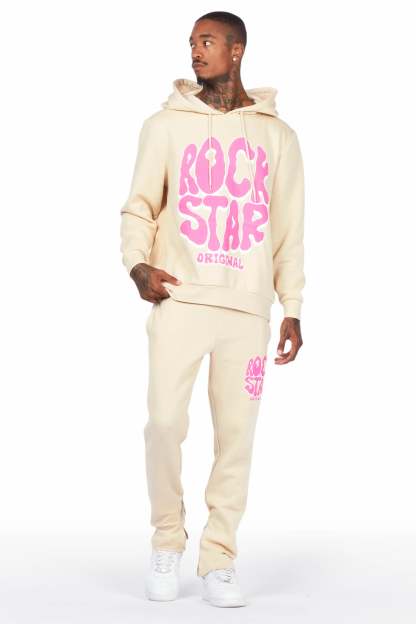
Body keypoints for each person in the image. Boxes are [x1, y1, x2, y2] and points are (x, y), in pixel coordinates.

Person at [119, 10, 305, 608]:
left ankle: (219, 556)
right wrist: (137, 264)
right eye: (192, 43)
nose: (195, 52)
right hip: (181, 298)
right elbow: (140, 206)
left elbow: (289, 231)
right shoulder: (164, 126)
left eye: (207, 42)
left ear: (237, 49)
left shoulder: (278, 137)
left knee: (237, 439)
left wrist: (292, 306)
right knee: (164, 424)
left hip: (247, 311)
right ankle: (166, 541)